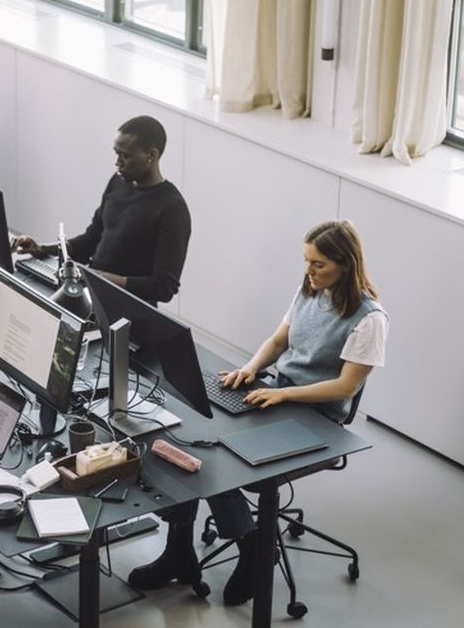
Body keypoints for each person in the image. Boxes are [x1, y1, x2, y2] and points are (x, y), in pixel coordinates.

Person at [126, 220, 389, 606]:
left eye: (319, 265)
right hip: (277, 394)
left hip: (316, 418)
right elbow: (280, 339)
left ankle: (254, 549)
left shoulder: (370, 319)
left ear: (345, 264)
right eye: (306, 261)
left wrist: (284, 395)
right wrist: (251, 368)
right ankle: (178, 550)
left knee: (219, 460)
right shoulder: (310, 290)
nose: (309, 272)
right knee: (184, 439)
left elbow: (345, 387)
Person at [12, 115, 191, 304]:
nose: (117, 162)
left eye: (126, 156)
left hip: (126, 313)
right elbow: (90, 241)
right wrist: (41, 249)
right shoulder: (118, 182)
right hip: (92, 294)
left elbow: (163, 288)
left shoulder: (172, 210)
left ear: (151, 155)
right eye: (117, 153)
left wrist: (98, 277)